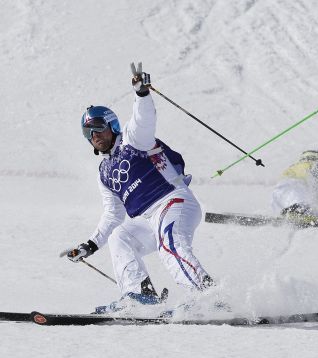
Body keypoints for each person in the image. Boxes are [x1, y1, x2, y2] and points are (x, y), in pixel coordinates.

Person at [66, 63, 213, 311]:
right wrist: (90, 245)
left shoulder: (134, 140)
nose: (95, 136)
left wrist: (142, 94)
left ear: (112, 126)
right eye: (89, 133)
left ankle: (210, 298)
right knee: (120, 236)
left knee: (170, 245)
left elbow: (143, 119)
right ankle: (140, 296)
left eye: (99, 128)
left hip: (174, 202)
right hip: (150, 218)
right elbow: (113, 214)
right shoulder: (104, 172)